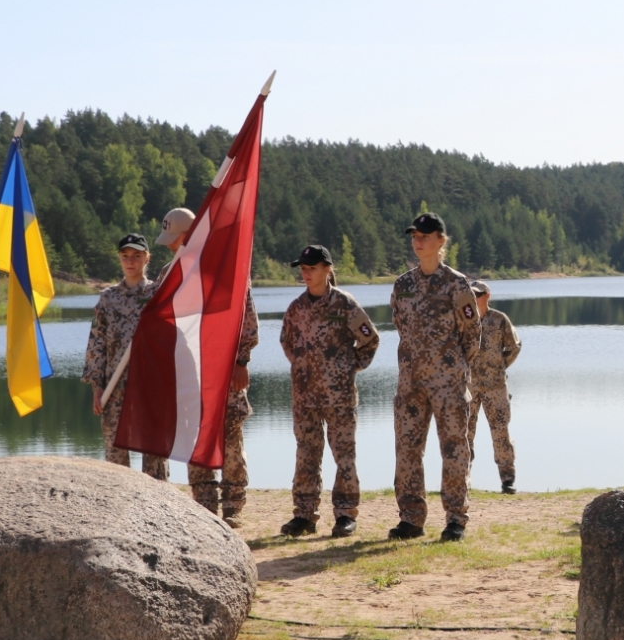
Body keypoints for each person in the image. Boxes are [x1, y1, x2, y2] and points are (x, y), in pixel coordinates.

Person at [155, 208, 259, 526]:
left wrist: (242, 360)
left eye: (176, 240)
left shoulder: (227, 270)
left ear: (192, 235)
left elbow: (247, 319)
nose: (171, 246)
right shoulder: (167, 274)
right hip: (188, 374)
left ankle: (233, 506)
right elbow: (158, 323)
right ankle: (204, 505)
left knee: (229, 438)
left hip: (224, 373)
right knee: (194, 436)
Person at [388, 213, 482, 541]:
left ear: (441, 241)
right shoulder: (402, 285)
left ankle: (455, 518)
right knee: (408, 449)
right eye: (415, 235)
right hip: (410, 383)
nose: (418, 240)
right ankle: (411, 519)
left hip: (449, 384)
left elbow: (472, 334)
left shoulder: (456, 284)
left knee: (454, 449)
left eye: (426, 235)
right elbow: (400, 325)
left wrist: (455, 369)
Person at [279, 244, 381, 538]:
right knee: (306, 454)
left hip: (339, 396)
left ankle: (346, 514)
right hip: (304, 395)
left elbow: (369, 341)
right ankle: (304, 515)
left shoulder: (344, 304)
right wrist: (302, 366)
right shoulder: (297, 307)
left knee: (343, 455)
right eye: (303, 268)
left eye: (312, 268)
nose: (306, 273)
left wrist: (347, 369)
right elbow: (287, 341)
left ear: (327, 269)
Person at [83, 233, 168, 480]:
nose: (130, 261)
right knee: (115, 454)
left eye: (136, 256)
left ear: (147, 258)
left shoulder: (158, 295)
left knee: (153, 452)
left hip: (150, 385)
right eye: (125, 256)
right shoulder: (108, 298)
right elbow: (96, 343)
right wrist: (97, 386)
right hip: (115, 387)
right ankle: (118, 506)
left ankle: (157, 508)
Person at [468, 280, 521, 494]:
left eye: (478, 294)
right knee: (464, 434)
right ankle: (463, 478)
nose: (474, 298)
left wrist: (500, 366)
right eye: (471, 294)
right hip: (468, 387)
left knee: (500, 432)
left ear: (487, 295)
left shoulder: (499, 319)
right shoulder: (462, 320)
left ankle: (507, 480)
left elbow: (514, 346)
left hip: (495, 387)